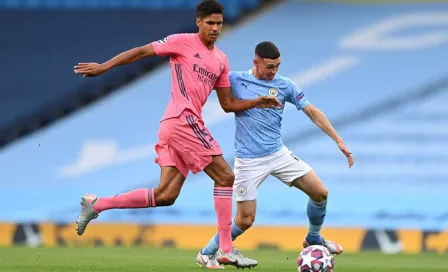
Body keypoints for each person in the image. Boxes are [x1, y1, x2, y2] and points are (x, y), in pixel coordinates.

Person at [73, 1, 281, 266]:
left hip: (178, 125)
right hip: (182, 119)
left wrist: (257, 101)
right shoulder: (181, 42)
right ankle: (226, 249)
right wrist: (105, 66)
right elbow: (140, 52)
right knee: (225, 176)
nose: (215, 28)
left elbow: (228, 104)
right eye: (210, 23)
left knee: (166, 195)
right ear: (199, 22)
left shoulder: (221, 60)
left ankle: (97, 204)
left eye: (219, 23)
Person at [196, 41, 354, 269]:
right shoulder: (235, 80)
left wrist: (338, 140)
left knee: (320, 193)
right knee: (245, 220)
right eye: (269, 67)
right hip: (248, 161)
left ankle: (313, 238)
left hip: (278, 154)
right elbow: (203, 85)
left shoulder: (284, 85)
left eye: (277, 66)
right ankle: (206, 252)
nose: (274, 72)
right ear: (256, 62)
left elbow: (311, 111)